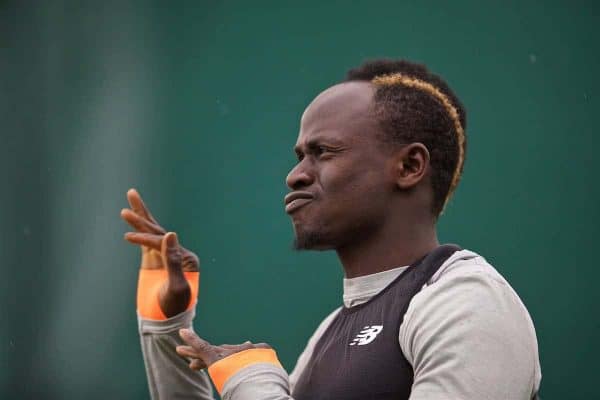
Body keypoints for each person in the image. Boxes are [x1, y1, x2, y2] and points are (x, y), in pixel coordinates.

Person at [121, 59, 541, 399]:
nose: (295, 176)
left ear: (410, 166)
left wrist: (253, 383)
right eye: (300, 155)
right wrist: (168, 323)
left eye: (323, 152)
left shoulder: (468, 302)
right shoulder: (330, 333)